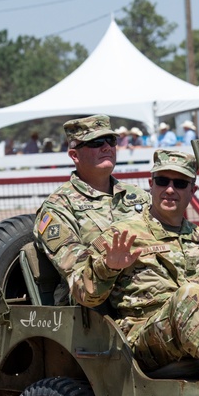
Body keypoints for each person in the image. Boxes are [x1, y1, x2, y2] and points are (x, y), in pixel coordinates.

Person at [68, 149, 199, 380]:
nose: (170, 190)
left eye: (181, 184)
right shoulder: (123, 235)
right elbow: (82, 295)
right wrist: (108, 267)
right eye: (162, 181)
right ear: (150, 185)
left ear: (192, 191)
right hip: (144, 339)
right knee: (191, 294)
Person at [34, 115, 150, 288]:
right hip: (103, 303)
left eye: (110, 141)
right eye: (96, 143)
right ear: (74, 155)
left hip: (154, 287)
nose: (106, 148)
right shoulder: (58, 207)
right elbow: (78, 272)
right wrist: (109, 264)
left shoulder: (137, 195)